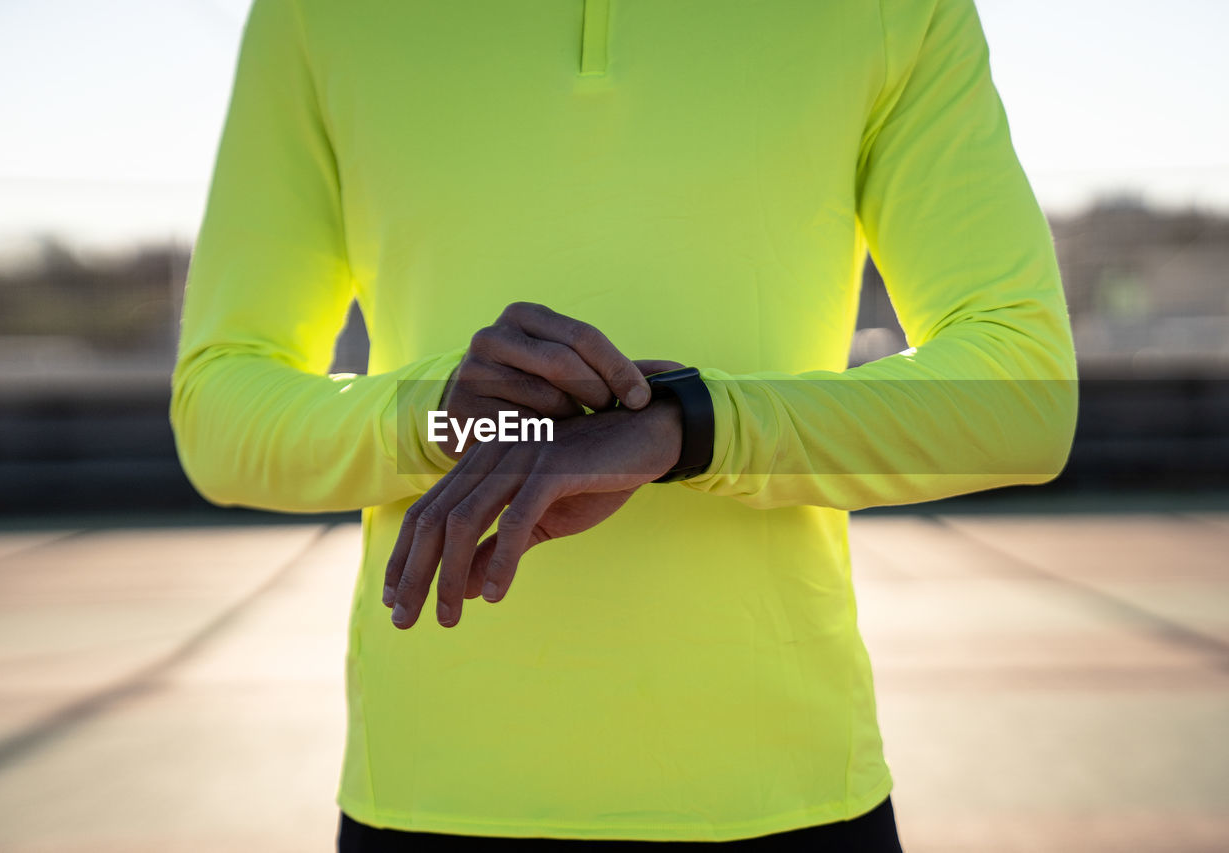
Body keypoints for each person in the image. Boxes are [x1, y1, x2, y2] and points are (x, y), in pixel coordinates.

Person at [169, 0, 1077, 848]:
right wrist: (435, 418)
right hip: (427, 800)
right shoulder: (318, 14)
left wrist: (691, 424)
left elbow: (1025, 394)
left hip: (788, 799)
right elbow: (217, 407)